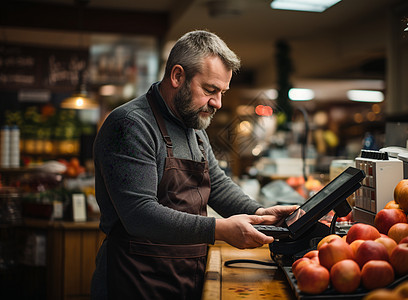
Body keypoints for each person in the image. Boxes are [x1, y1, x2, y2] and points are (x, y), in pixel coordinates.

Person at [90, 30, 298, 300]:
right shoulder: (131, 124)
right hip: (134, 279)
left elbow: (218, 185)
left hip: (186, 275)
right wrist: (218, 229)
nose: (218, 103)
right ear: (177, 76)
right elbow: (140, 215)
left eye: (222, 92)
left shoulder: (193, 125)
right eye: (210, 90)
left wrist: (260, 214)